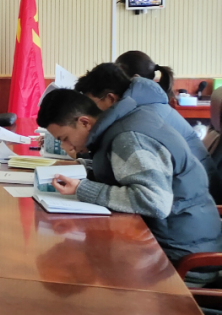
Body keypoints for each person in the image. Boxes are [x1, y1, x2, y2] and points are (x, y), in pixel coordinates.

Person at [36, 89, 222, 267]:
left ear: (84, 122)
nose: (66, 146)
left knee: (88, 259)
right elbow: (122, 169)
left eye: (64, 138)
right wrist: (83, 169)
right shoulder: (122, 123)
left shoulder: (128, 139)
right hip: (176, 240)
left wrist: (82, 189)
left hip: (181, 255)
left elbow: (154, 202)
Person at [75, 63, 220, 201]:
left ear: (110, 99)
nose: (89, 113)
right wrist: (84, 165)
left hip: (194, 200)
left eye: (91, 106)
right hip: (187, 195)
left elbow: (152, 198)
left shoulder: (138, 121)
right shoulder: (141, 106)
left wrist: (85, 187)